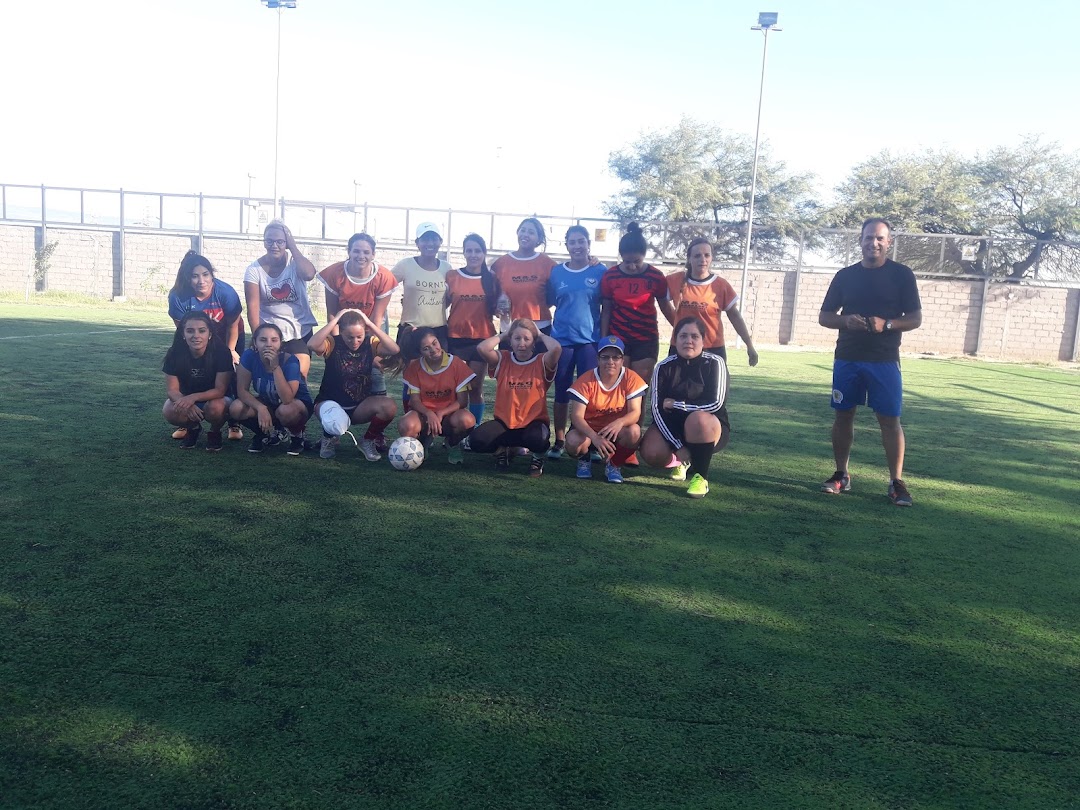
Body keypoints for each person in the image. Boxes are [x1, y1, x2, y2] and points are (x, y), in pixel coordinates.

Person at [818, 217, 922, 507]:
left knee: (889, 420)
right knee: (843, 415)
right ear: (860, 241)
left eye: (879, 238)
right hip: (848, 357)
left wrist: (886, 324)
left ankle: (896, 482)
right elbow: (825, 316)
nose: (873, 243)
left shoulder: (902, 275)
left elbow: (915, 318)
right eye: (868, 238)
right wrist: (844, 321)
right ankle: (841, 474)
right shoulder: (845, 276)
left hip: (884, 359)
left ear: (889, 242)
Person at [600, 221, 677, 464]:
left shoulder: (655, 276)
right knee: (618, 391)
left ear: (644, 257)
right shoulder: (611, 275)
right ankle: (613, 442)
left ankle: (630, 447)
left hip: (645, 339)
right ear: (620, 257)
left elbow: (666, 307)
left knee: (637, 392)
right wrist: (603, 342)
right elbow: (606, 309)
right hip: (618, 340)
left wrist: (684, 331)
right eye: (627, 261)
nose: (632, 266)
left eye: (637, 261)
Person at [640, 317, 729, 499]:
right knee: (651, 452)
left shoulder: (715, 363)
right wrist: (678, 445)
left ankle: (700, 477)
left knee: (697, 419)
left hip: (707, 427)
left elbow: (715, 404)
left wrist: (676, 404)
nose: (689, 341)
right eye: (683, 336)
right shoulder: (663, 367)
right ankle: (682, 460)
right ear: (675, 340)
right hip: (674, 428)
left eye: (694, 336)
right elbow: (656, 410)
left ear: (703, 340)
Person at [167, 250, 246, 441]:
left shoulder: (225, 292)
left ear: (212, 275)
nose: (201, 281)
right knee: (191, 373)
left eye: (205, 275)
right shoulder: (178, 296)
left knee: (231, 376)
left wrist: (230, 351)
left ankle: (233, 422)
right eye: (195, 276)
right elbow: (183, 331)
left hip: (227, 336)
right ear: (188, 278)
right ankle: (187, 422)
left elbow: (233, 325)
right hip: (196, 339)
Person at [468, 318, 561, 476]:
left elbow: (556, 348)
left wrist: (540, 334)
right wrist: (504, 334)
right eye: (517, 338)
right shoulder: (503, 359)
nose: (521, 343)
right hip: (505, 424)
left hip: (533, 425)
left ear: (534, 342)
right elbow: (482, 348)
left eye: (527, 339)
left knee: (537, 439)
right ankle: (501, 451)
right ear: (510, 342)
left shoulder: (541, 361)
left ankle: (537, 457)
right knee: (477, 441)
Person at [307, 308, 399, 461]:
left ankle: (367, 440)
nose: (355, 341)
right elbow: (312, 344)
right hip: (330, 403)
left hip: (358, 407)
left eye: (359, 336)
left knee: (389, 406)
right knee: (335, 419)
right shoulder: (332, 343)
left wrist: (369, 323)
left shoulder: (370, 342)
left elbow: (394, 349)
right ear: (341, 332)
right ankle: (328, 438)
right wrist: (335, 320)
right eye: (350, 337)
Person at [546, 225, 606, 459]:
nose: (578, 246)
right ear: (567, 245)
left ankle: (589, 441)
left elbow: (606, 305)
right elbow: (550, 301)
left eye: (582, 241)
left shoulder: (600, 270)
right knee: (561, 391)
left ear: (588, 244)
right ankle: (559, 440)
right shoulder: (556, 272)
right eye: (573, 242)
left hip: (589, 342)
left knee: (589, 395)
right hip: (562, 342)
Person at [317, 231, 396, 405]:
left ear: (373, 254)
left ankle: (377, 414)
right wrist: (337, 343)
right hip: (343, 326)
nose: (361, 256)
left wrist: (370, 348)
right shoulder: (335, 273)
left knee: (375, 366)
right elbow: (332, 313)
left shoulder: (384, 277)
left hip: (371, 324)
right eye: (357, 251)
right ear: (349, 251)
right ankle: (334, 409)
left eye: (366, 252)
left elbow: (377, 317)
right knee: (338, 365)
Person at [565, 336, 648, 484]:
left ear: (622, 360)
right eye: (605, 357)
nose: (611, 362)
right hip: (588, 431)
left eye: (616, 357)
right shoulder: (586, 380)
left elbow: (635, 412)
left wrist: (620, 422)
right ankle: (585, 459)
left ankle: (614, 464)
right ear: (598, 359)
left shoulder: (631, 378)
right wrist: (595, 437)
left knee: (634, 432)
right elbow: (576, 416)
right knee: (572, 442)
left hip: (614, 431)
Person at [243, 219, 318, 379]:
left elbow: (309, 274)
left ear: (287, 243)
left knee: (298, 377)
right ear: (264, 242)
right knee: (270, 375)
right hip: (270, 333)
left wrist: (293, 246)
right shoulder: (254, 270)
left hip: (299, 330)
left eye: (280, 241)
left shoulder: (294, 262)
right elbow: (253, 307)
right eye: (269, 241)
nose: (274, 245)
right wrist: (258, 337)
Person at [667, 237, 759, 366]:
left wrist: (749, 345)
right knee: (675, 386)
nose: (703, 260)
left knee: (714, 386)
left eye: (707, 255)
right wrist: (675, 323)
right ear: (689, 259)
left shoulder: (720, 285)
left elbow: (735, 316)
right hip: (682, 347)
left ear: (711, 258)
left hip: (712, 348)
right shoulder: (675, 280)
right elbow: (659, 298)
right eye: (697, 256)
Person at [230, 322, 315, 455]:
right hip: (269, 403)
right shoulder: (249, 356)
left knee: (286, 410)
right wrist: (260, 407)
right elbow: (242, 391)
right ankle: (262, 434)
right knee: (236, 407)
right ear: (255, 342)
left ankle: (297, 436)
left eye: (274, 340)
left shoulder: (290, 360)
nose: (268, 344)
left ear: (280, 343)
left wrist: (275, 367)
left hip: (296, 406)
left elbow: (287, 399)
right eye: (263, 340)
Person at [400, 328, 477, 465]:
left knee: (467, 420)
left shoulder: (456, 363)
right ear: (420, 352)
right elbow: (415, 401)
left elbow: (463, 401)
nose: (434, 350)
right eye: (426, 348)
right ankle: (422, 443)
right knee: (406, 425)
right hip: (424, 415)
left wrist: (441, 413)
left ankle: (452, 443)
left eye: (434, 343)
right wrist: (429, 413)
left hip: (449, 416)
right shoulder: (415, 367)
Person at [444, 233, 497, 427]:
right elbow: (441, 303)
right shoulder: (452, 276)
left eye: (477, 250)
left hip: (481, 340)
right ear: (464, 253)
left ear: (484, 253)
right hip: (455, 338)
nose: (473, 254)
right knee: (454, 388)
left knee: (475, 387)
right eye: (469, 250)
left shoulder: (491, 278)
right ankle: (454, 426)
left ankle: (473, 428)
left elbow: (500, 307)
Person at [161, 311, 232, 451]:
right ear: (183, 334)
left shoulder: (222, 352)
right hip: (187, 397)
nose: (196, 336)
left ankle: (215, 432)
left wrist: (192, 398)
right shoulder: (174, 353)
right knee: (169, 410)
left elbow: (220, 390)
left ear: (210, 334)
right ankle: (193, 428)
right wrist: (187, 403)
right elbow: (172, 390)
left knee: (215, 408)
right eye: (190, 331)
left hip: (216, 398)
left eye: (202, 331)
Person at [391, 221, 453, 362]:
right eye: (425, 239)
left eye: (434, 239)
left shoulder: (447, 268)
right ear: (417, 243)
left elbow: (449, 297)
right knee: (411, 377)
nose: (430, 243)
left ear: (440, 242)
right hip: (411, 331)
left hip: (438, 332)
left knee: (439, 376)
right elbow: (384, 286)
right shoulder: (405, 265)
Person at [490, 217, 557, 333]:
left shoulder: (548, 264)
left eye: (531, 232)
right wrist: (496, 308)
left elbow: (554, 296)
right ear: (517, 232)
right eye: (523, 230)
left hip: (540, 328)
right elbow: (492, 295)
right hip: (509, 328)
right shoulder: (500, 264)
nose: (525, 235)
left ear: (539, 239)